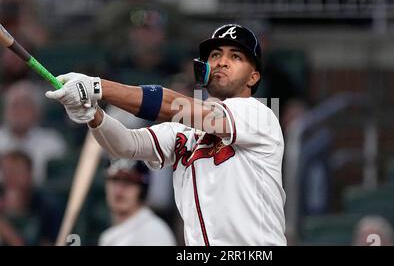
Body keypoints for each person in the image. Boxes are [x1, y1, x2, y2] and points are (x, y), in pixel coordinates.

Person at [46, 24, 286, 246]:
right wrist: (93, 115)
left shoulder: (259, 116)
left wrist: (97, 87)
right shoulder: (185, 130)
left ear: (254, 77)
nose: (222, 62)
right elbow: (127, 145)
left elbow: (171, 105)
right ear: (203, 69)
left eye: (236, 56)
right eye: (215, 55)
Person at [0, 81, 67, 186]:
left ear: (37, 112)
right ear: (5, 110)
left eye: (25, 106)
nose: (19, 111)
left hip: (39, 199)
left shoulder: (52, 142)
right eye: (15, 106)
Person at [98, 159, 176, 246]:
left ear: (142, 189)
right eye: (114, 180)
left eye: (128, 182)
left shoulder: (154, 232)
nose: (118, 190)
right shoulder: (107, 235)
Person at [0, 150, 62, 246]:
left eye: (16, 172)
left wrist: (6, 229)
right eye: (6, 172)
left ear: (30, 174)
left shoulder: (47, 206)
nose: (11, 177)